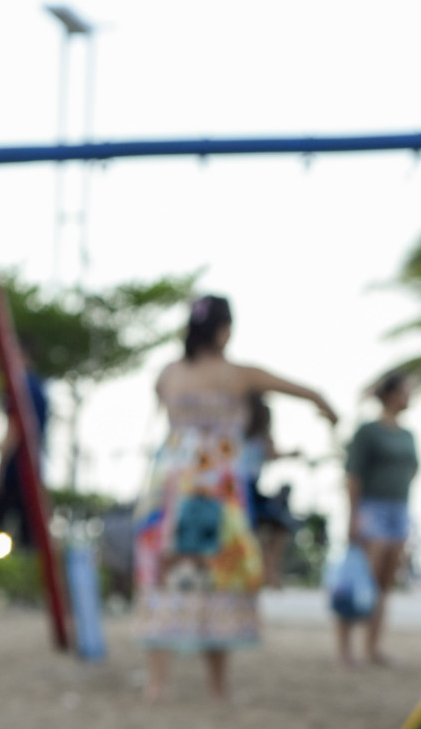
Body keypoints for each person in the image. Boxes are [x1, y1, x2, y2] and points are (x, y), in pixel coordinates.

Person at [133, 295, 336, 704]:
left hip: (172, 486)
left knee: (164, 576)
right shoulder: (238, 375)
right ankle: (218, 687)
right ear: (224, 331)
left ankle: (157, 683)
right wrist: (326, 409)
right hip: (218, 487)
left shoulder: (168, 375)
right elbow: (304, 390)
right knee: (221, 575)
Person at [343, 371, 419, 666]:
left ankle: (372, 647)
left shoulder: (409, 434)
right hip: (372, 509)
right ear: (390, 394)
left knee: (385, 582)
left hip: (398, 509)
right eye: (404, 390)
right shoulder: (368, 432)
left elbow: (412, 471)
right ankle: (347, 648)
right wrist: (354, 515)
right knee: (363, 578)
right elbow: (353, 476)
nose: (408, 395)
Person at [0, 342, 50, 548]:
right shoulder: (39, 386)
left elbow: (14, 429)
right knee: (29, 539)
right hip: (33, 469)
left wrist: (0, 470)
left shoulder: (19, 385)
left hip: (15, 471)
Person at [240, 393, 303, 590]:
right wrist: (292, 454)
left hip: (251, 489)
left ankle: (268, 573)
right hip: (240, 489)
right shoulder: (238, 432)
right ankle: (264, 574)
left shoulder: (260, 436)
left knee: (275, 527)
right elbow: (273, 454)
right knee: (252, 533)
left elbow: (272, 454)